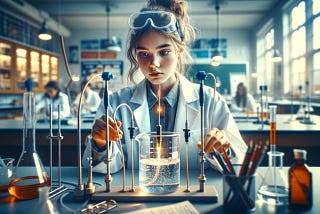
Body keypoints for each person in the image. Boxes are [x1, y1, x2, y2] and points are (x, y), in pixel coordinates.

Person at [83, 0, 247, 174]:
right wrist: (100, 144)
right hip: (139, 197)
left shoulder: (208, 99)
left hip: (193, 198)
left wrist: (224, 149)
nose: (154, 64)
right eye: (144, 54)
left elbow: (239, 162)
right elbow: (103, 168)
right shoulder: (117, 102)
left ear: (180, 50)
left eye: (164, 52)